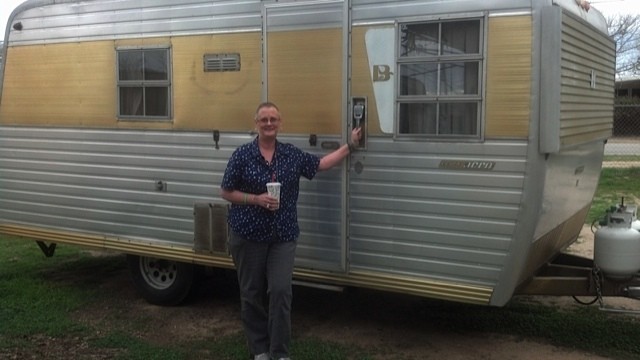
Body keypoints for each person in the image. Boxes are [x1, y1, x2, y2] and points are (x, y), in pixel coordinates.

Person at [220, 102, 361, 360]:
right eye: (264, 119)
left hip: (282, 235)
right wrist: (256, 199)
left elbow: (321, 164)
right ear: (256, 124)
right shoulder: (242, 155)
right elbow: (226, 191)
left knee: (281, 291)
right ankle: (260, 350)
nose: (269, 123)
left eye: (273, 119)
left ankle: (280, 352)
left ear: (280, 123)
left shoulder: (291, 155)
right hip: (247, 234)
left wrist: (350, 146)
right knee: (251, 293)